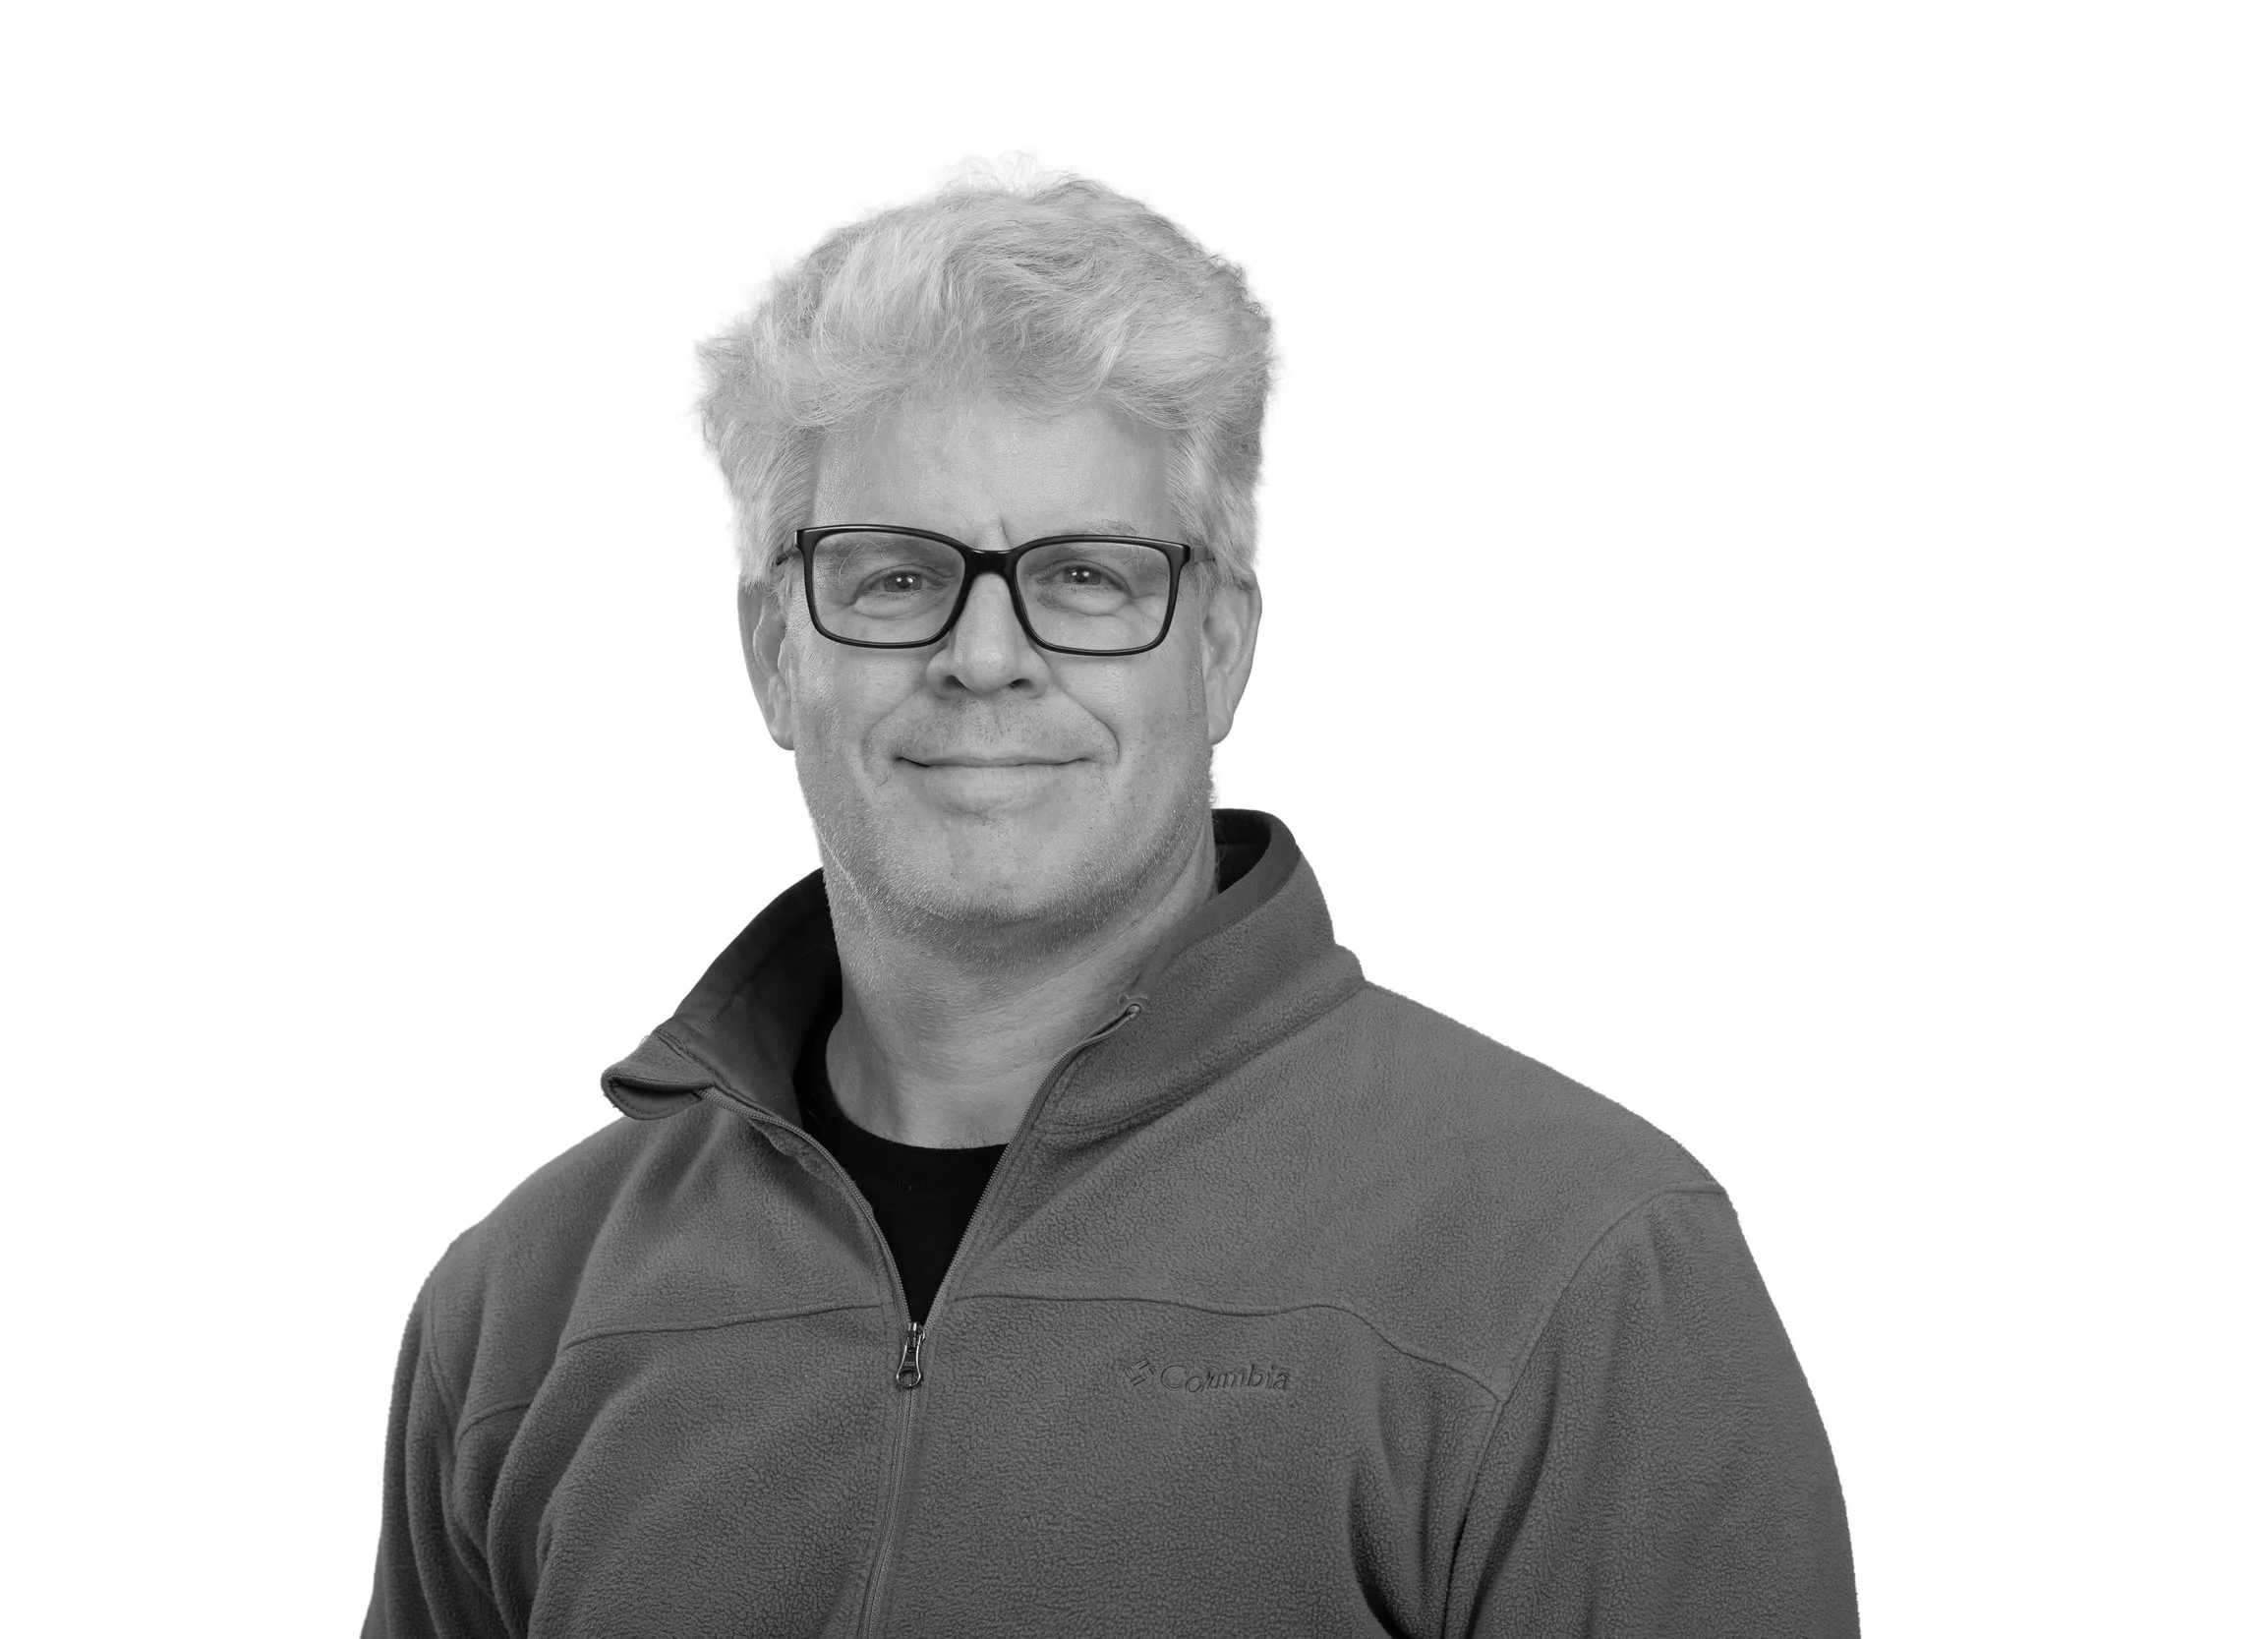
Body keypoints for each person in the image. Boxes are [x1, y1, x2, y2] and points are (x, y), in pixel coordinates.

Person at [364, 173, 1860, 1637]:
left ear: (1216, 645)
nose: (988, 653)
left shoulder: (1572, 1259)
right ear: (774, 649)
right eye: (894, 578)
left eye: (1084, 573)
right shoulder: (524, 1308)